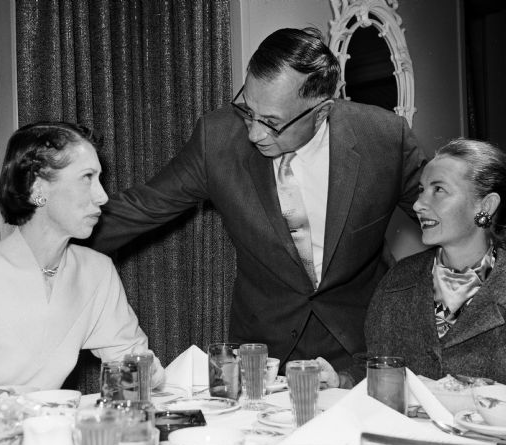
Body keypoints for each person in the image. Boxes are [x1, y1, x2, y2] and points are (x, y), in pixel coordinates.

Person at [90, 27, 427, 381]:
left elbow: (443, 213)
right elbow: (142, 207)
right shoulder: (217, 138)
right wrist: (48, 239)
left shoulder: (385, 137)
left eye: (272, 123)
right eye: (248, 111)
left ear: (322, 111)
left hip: (359, 350)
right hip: (262, 356)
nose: (254, 134)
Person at [0, 122, 164, 393]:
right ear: (38, 188)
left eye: (99, 179)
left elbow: (130, 364)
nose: (103, 196)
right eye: (87, 177)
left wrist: (144, 376)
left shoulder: (96, 272)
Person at [326, 138, 506, 386]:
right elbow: (377, 369)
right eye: (421, 190)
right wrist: (339, 381)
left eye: (438, 190)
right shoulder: (398, 280)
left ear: (485, 206)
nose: (418, 205)